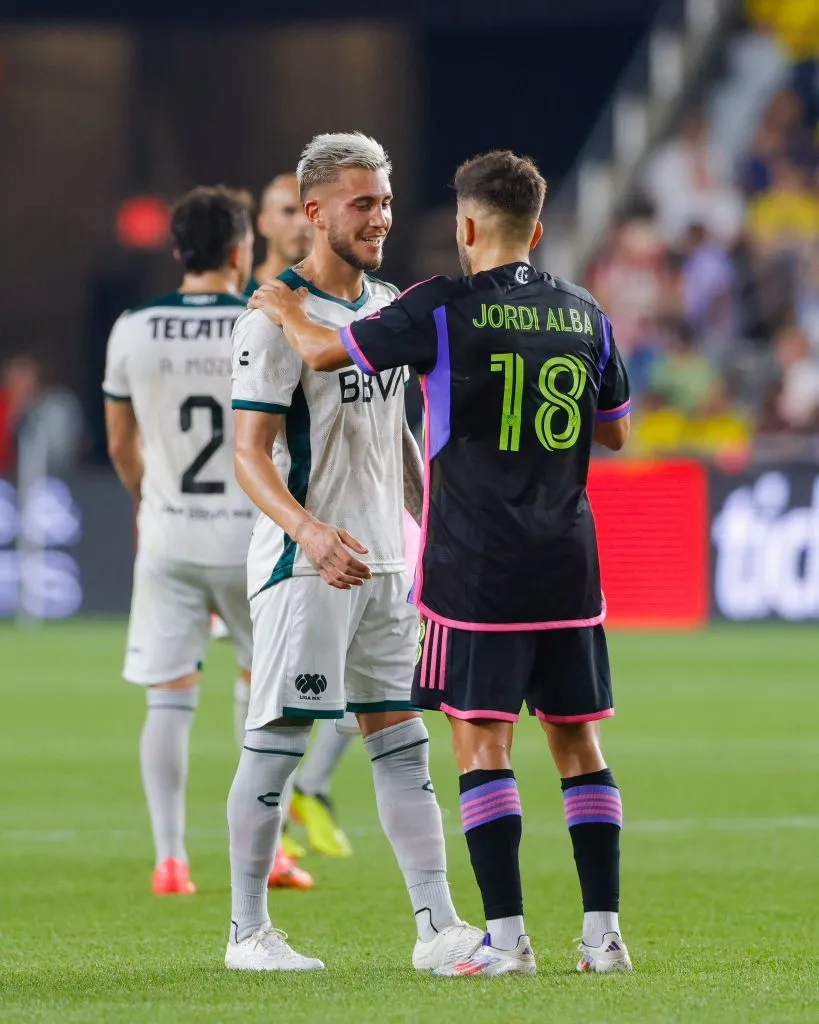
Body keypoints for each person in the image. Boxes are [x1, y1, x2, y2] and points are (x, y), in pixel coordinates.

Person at [250, 149, 634, 977]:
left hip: (480, 570)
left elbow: (322, 353)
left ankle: (504, 940)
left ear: (464, 227)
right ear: (535, 229)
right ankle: (603, 939)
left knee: (480, 746)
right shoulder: (584, 311)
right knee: (579, 746)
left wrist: (283, 305)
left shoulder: (440, 308)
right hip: (570, 564)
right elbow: (614, 430)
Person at [226, 131, 480, 972]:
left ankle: (437, 926)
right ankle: (247, 933)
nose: (380, 216)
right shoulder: (272, 318)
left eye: (385, 200)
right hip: (306, 565)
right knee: (280, 737)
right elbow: (248, 454)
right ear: (314, 213)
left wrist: (430, 523)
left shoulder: (387, 306)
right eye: (362, 203)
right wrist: (307, 530)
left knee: (401, 740)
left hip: (385, 566)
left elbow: (397, 432)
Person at [103, 185, 309, 895]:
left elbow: (121, 442)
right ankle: (271, 852)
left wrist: (146, 502)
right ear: (237, 249)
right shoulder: (263, 320)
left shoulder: (134, 325)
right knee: (265, 697)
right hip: (252, 537)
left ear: (175, 250)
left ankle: (170, 860)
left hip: (168, 537)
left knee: (168, 698)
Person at [245, 173, 312, 295]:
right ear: (263, 223)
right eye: (289, 211)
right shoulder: (238, 295)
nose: (303, 222)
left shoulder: (343, 295)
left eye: (310, 211)